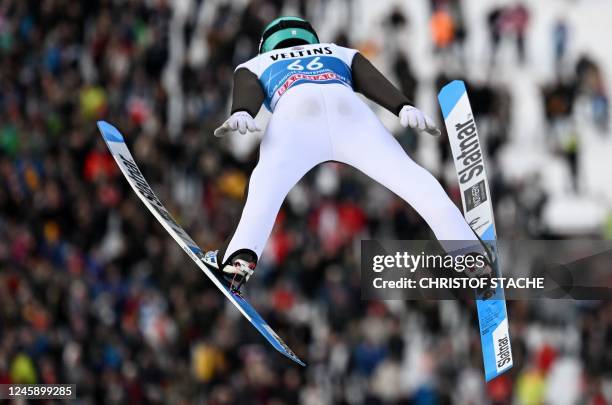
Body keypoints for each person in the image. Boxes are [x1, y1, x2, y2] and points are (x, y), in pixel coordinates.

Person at [203, 16, 481, 292]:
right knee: (415, 181)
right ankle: (468, 250)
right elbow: (370, 78)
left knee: (264, 187)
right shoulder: (337, 50)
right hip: (351, 115)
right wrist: (402, 106)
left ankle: (238, 258)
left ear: (267, 45)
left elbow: (249, 87)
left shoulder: (257, 62)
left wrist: (242, 110)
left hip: (296, 115)